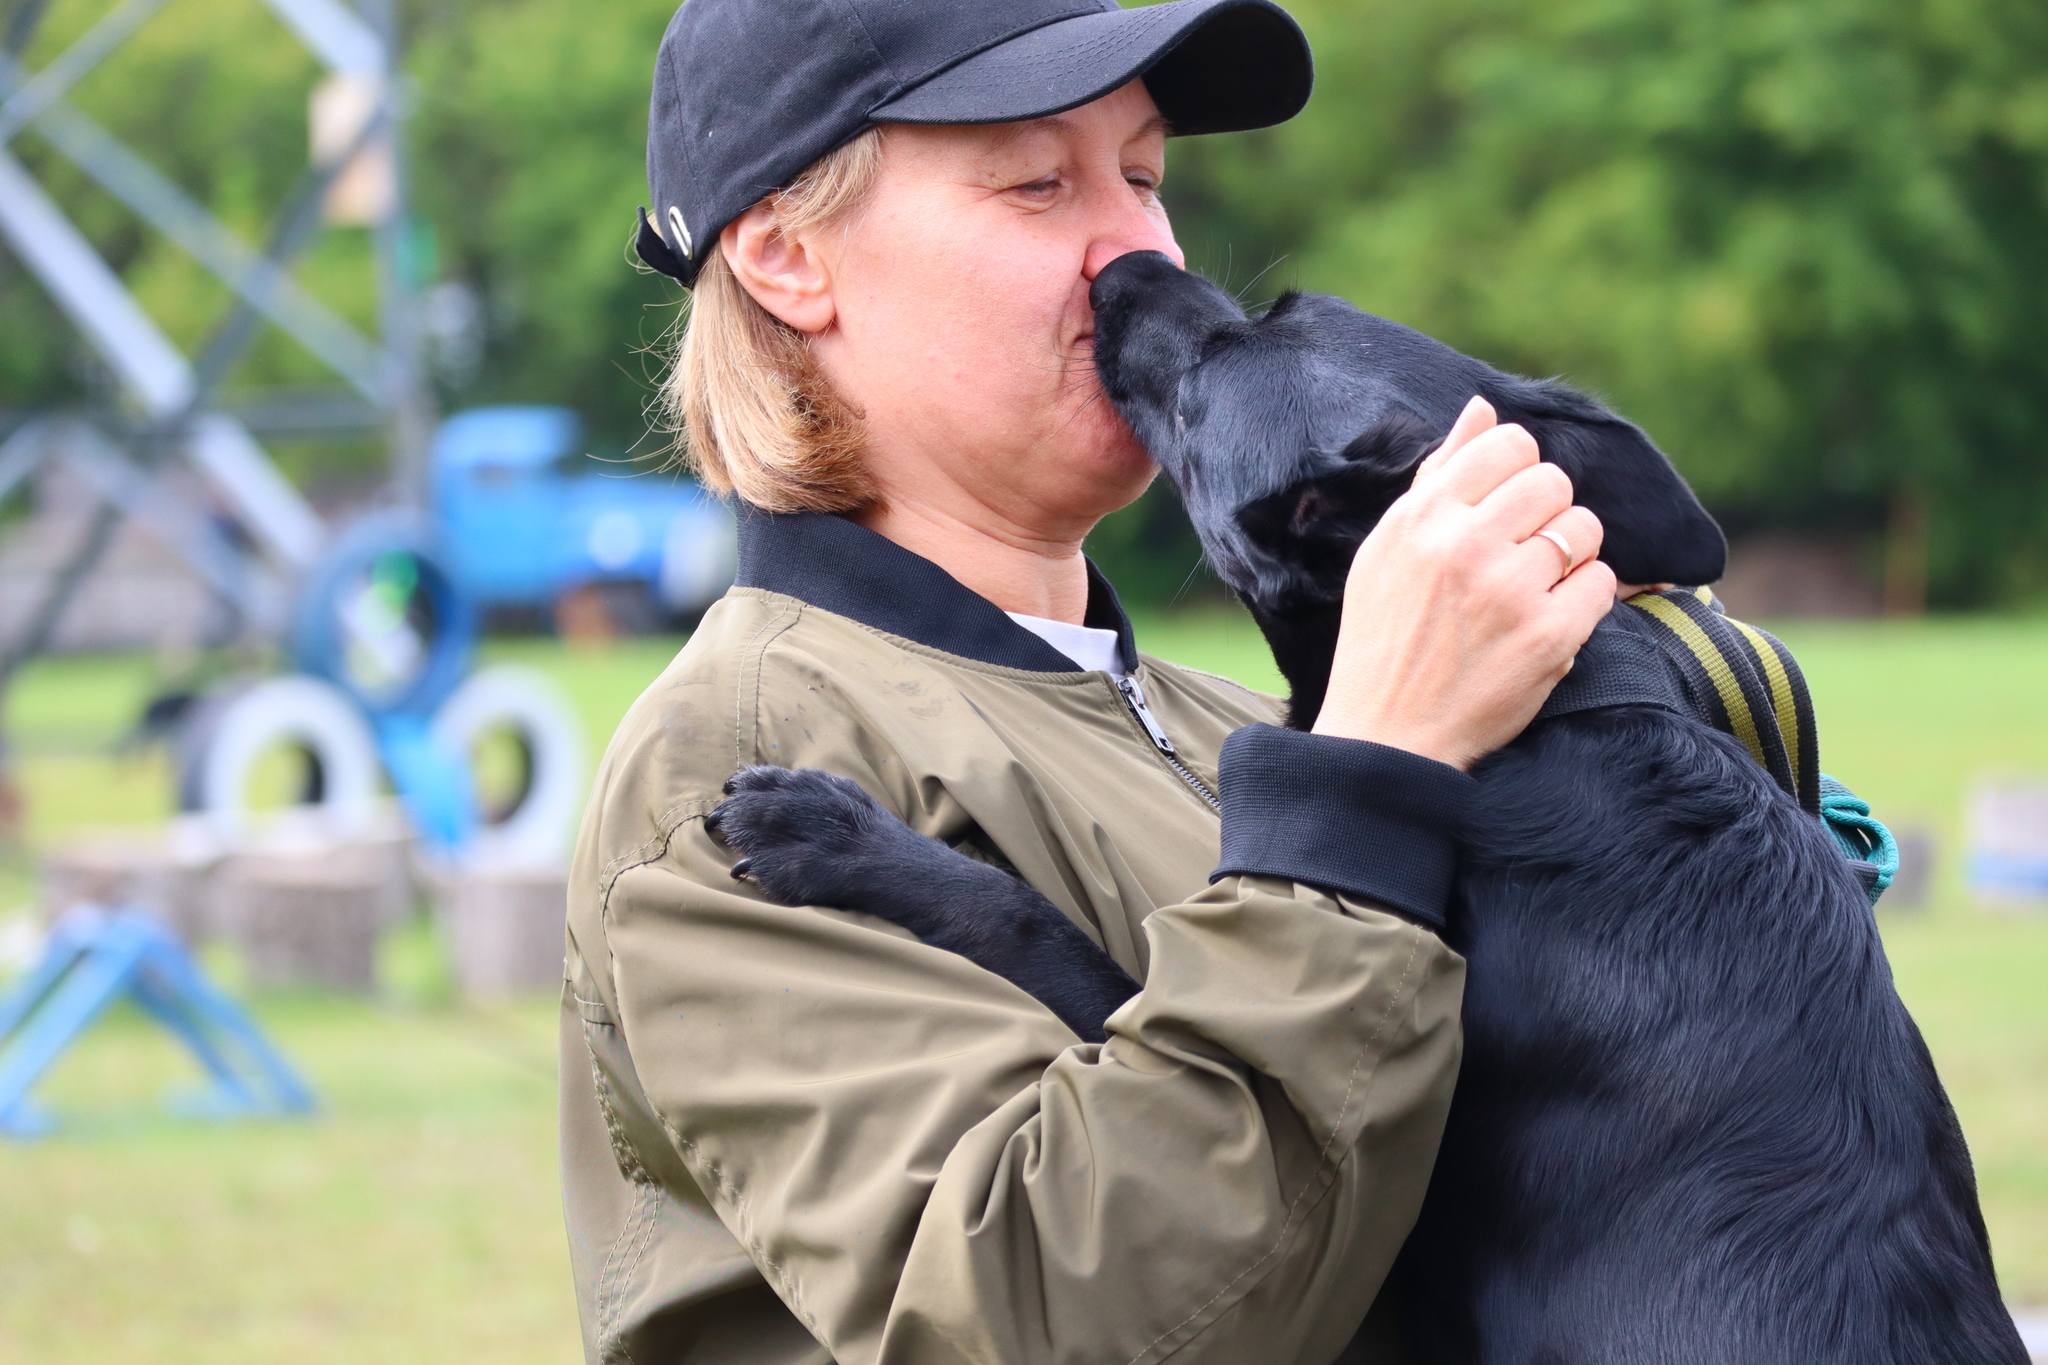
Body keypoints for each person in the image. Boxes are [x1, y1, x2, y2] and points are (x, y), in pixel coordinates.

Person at [560, 1, 1616, 1361]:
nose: (1142, 250)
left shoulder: (1233, 726)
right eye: (1038, 182)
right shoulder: (753, 753)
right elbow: (1049, 1319)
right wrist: (1372, 782)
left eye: (1145, 176)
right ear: (786, 256)